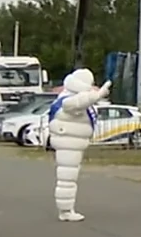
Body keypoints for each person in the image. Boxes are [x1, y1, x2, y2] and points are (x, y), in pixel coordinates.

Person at [47, 67, 110, 221]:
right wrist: (98, 95)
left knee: (68, 177)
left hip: (71, 141)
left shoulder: (68, 97)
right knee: (67, 177)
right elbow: (77, 103)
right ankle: (66, 210)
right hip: (68, 142)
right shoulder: (69, 100)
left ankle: (66, 209)